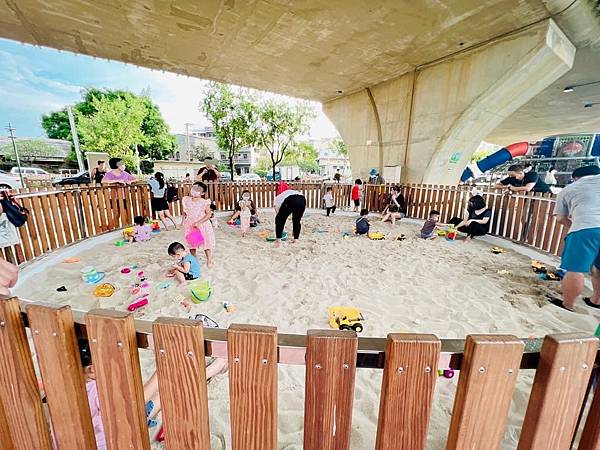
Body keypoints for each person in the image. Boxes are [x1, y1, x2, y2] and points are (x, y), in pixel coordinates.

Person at [548, 165, 600, 311]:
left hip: (587, 228)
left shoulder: (569, 189)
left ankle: (568, 304)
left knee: (575, 269)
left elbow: (560, 219)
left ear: (575, 178)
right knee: (598, 268)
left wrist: (574, 225)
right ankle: (596, 301)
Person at [182, 182, 216, 267]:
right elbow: (185, 212)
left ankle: (209, 259)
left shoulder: (204, 202)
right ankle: (194, 260)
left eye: (198, 190)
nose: (194, 191)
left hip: (202, 226)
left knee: (206, 243)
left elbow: (208, 215)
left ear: (203, 193)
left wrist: (199, 222)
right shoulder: (187, 200)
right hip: (191, 225)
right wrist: (182, 222)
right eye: (193, 188)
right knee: (192, 244)